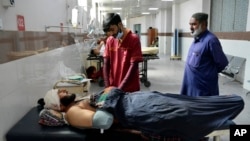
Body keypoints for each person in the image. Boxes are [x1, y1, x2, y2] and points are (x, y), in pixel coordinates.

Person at [40, 87, 244, 141]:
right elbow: (105, 120)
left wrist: (108, 93)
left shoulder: (77, 103)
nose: (63, 91)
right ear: (58, 106)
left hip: (137, 101)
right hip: (138, 111)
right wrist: (108, 93)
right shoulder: (73, 113)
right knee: (188, 112)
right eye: (59, 94)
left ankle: (231, 113)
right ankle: (241, 132)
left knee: (191, 102)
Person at [180, 12, 228, 97]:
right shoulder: (196, 38)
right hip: (190, 86)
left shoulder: (211, 40)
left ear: (203, 24)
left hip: (203, 89)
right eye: (190, 24)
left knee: (203, 109)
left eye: (194, 24)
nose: (190, 27)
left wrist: (208, 73)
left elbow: (222, 62)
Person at [102, 13, 143, 92]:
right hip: (113, 87)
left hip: (130, 88)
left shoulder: (133, 39)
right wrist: (107, 87)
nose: (111, 34)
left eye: (112, 30)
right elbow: (106, 65)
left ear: (120, 24)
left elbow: (133, 67)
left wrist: (120, 89)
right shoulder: (110, 40)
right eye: (108, 32)